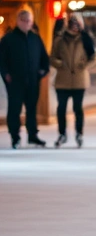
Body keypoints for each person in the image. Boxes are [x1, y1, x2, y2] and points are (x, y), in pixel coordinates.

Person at [0, 9, 50, 149]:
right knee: (14, 109)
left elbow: (44, 58)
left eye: (29, 21)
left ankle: (32, 135)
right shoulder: (8, 39)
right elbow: (1, 60)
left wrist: (43, 71)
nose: (26, 23)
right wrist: (6, 74)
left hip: (33, 81)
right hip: (15, 81)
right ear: (18, 21)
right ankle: (15, 137)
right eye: (24, 20)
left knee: (32, 109)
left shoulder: (35, 38)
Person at [50, 12, 95, 147]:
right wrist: (59, 64)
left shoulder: (85, 39)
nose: (75, 26)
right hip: (63, 80)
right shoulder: (60, 39)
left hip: (79, 79)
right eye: (72, 23)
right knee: (61, 108)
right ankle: (62, 133)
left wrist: (84, 65)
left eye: (77, 23)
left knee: (77, 108)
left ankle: (79, 133)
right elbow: (52, 57)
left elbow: (93, 57)